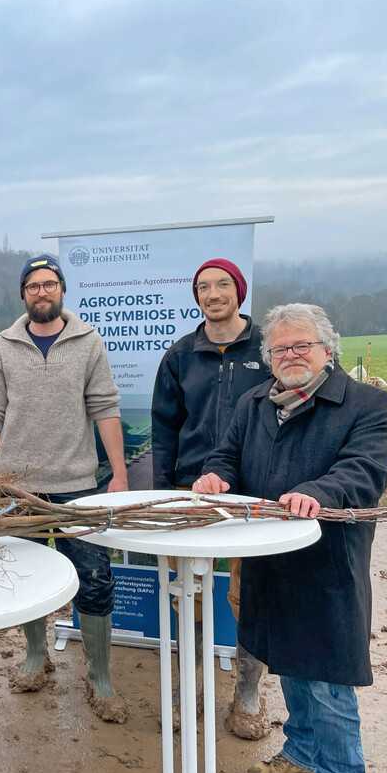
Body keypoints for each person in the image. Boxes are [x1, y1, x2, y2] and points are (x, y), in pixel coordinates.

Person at [195, 303, 387, 773]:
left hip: (327, 564)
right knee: (288, 663)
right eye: (280, 348)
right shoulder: (255, 402)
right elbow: (228, 455)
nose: (290, 354)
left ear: (327, 348)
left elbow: (365, 471)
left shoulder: (368, 405)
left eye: (301, 344)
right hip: (269, 559)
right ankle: (302, 753)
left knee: (326, 679)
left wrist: (319, 492)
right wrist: (217, 476)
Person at [0, 254, 130, 722]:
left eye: (49, 284)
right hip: (18, 489)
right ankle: (35, 655)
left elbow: (105, 407)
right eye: (32, 286)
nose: (41, 292)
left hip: (78, 487)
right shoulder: (3, 345)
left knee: (94, 580)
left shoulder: (88, 341)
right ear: (23, 295)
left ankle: (99, 676)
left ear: (62, 289)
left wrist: (120, 475)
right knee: (25, 579)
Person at [150, 258, 272, 739]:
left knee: (252, 594)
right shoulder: (181, 355)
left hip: (255, 491)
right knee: (189, 593)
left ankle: (246, 694)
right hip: (192, 489)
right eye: (203, 287)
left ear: (239, 291)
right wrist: (163, 491)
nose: (213, 293)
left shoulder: (267, 348)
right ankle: (190, 689)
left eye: (223, 285)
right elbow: (165, 427)